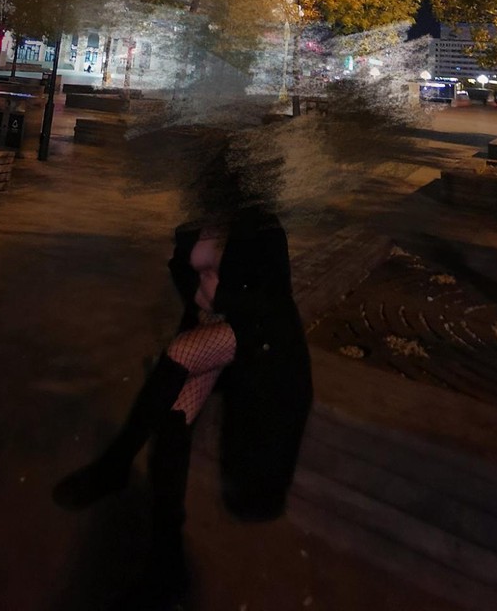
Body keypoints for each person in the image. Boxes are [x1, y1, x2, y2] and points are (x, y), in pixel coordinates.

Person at [52, 148, 312, 608]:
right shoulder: (197, 226)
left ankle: (115, 466)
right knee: (173, 421)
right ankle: (166, 560)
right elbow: (180, 266)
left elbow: (273, 301)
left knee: (178, 354)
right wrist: (202, 294)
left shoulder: (263, 229)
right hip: (212, 329)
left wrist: (219, 295)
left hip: (259, 339)